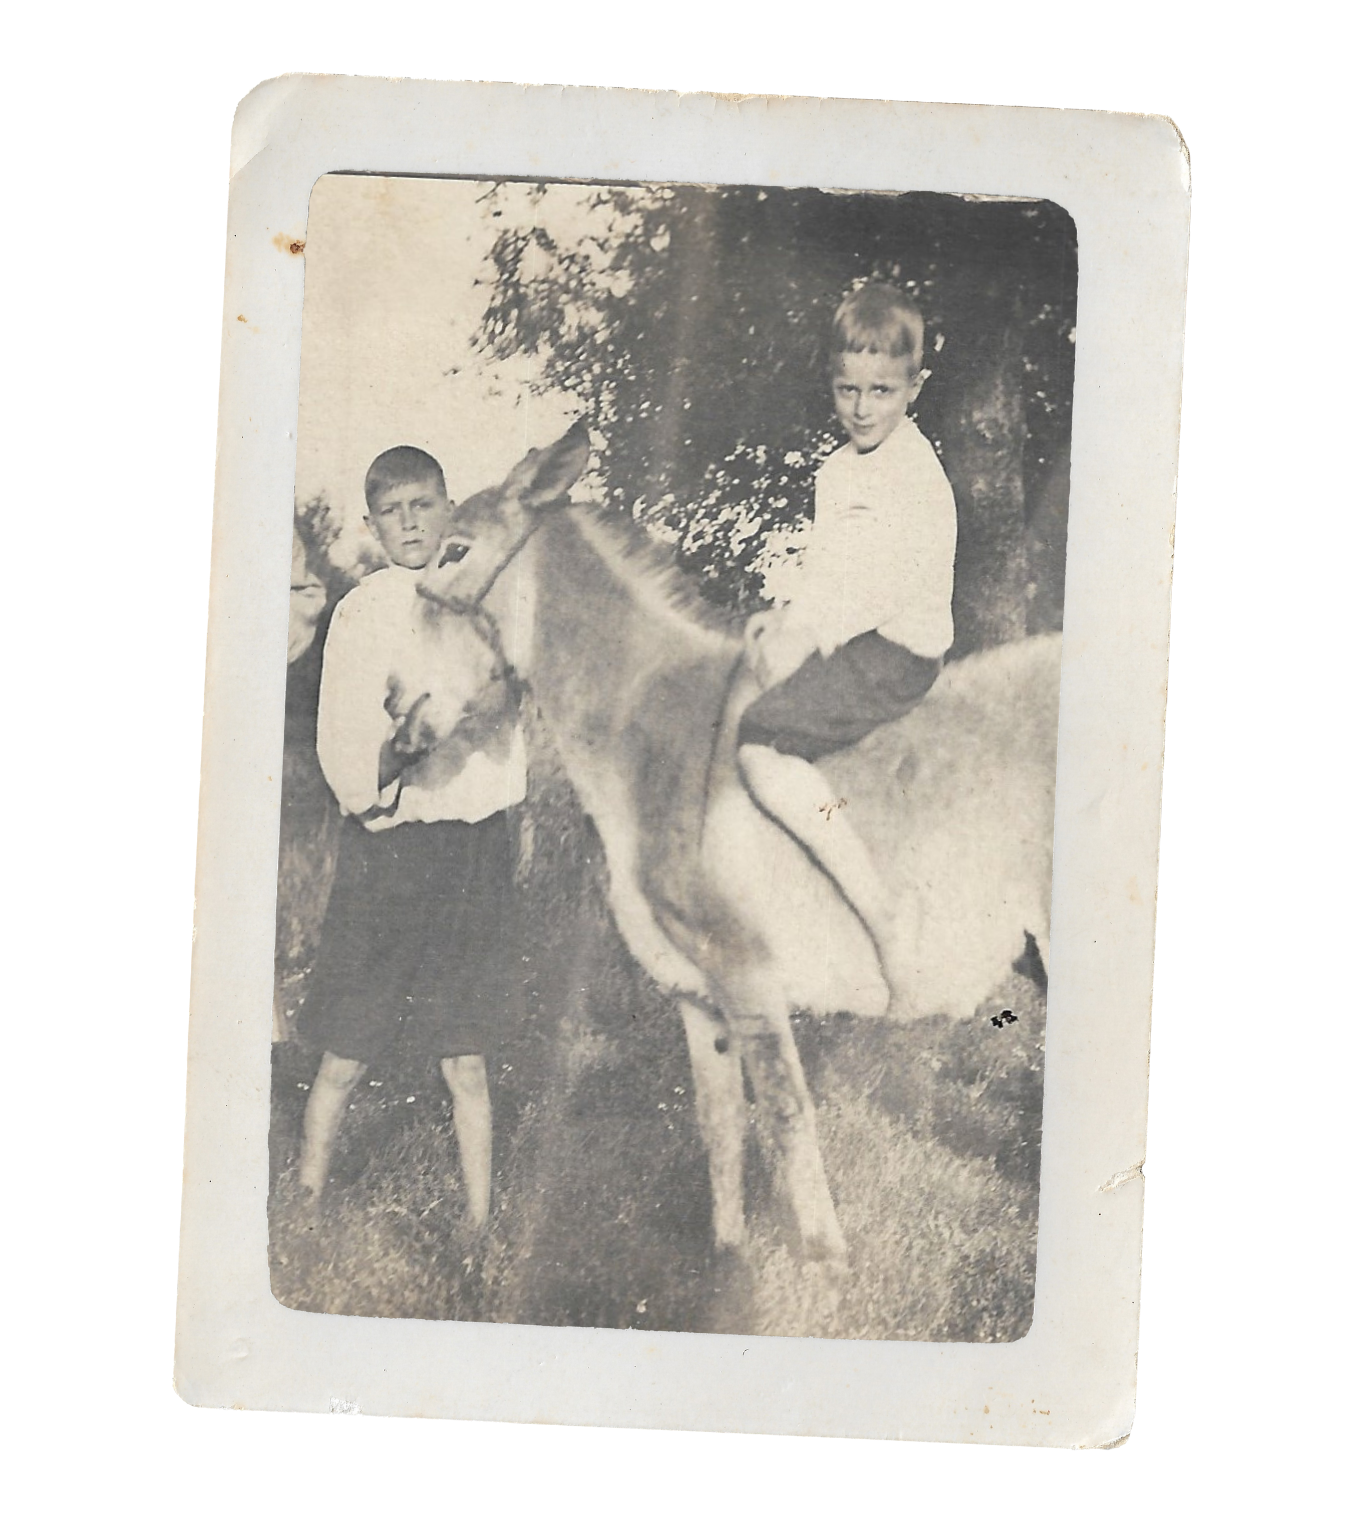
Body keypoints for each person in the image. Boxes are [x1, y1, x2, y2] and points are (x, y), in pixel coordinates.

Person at [296, 445, 527, 1230]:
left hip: (470, 853)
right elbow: (341, 739)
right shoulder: (360, 609)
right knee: (348, 1047)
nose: (409, 523)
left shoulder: (477, 592)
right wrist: (393, 755)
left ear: (447, 505)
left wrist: (480, 715)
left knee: (465, 1054)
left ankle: (477, 1223)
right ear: (371, 524)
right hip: (390, 851)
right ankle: (307, 1197)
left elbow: (506, 717)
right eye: (391, 511)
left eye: (422, 504)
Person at [736, 283, 958, 1009]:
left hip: (897, 652)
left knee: (760, 744)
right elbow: (831, 569)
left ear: (914, 387)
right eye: (847, 390)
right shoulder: (839, 471)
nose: (863, 408)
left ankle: (880, 911)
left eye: (883, 391)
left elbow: (887, 583)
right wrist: (787, 613)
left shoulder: (914, 473)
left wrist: (809, 633)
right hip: (853, 637)